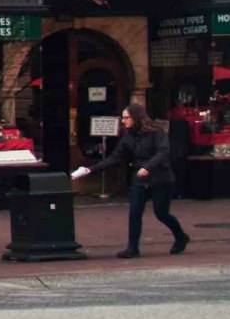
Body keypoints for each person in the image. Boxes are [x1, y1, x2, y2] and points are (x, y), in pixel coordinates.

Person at [72, 102, 189, 258]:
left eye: (127, 118)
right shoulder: (128, 137)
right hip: (140, 180)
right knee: (135, 212)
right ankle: (132, 248)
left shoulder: (156, 132)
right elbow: (116, 157)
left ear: (136, 118)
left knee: (161, 213)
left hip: (160, 178)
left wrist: (148, 167)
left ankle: (180, 236)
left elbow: (163, 152)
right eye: (123, 118)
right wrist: (90, 169)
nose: (123, 121)